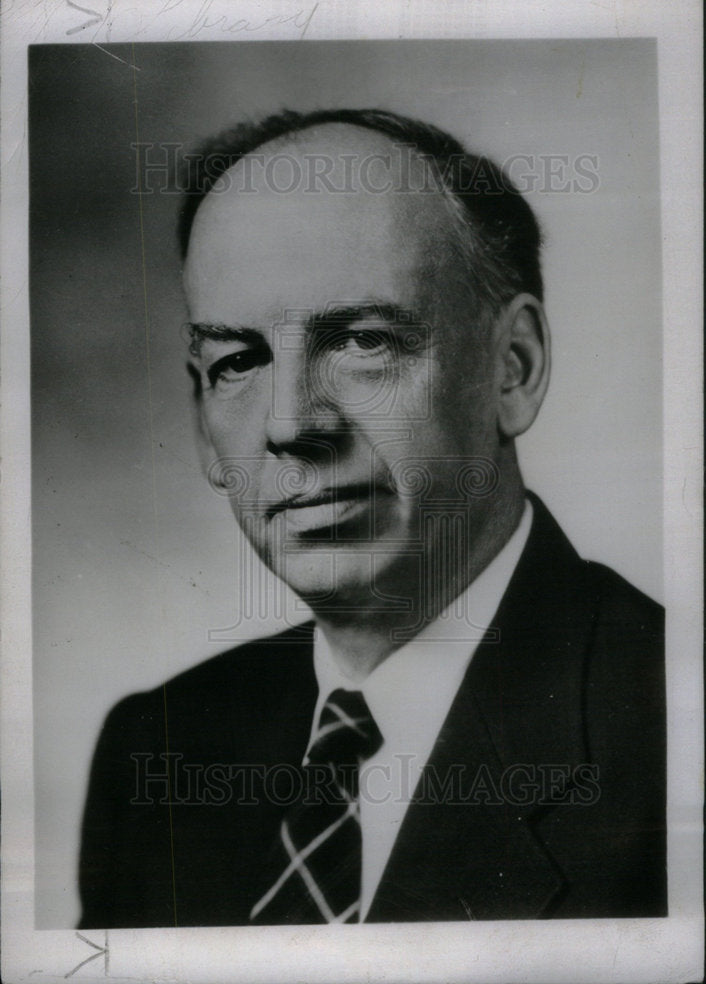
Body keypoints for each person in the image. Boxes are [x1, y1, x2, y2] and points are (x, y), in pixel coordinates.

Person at [78, 108, 666, 927]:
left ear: (514, 369)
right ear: (201, 423)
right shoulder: (159, 748)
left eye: (362, 340)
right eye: (239, 362)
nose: (290, 424)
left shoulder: (673, 728)